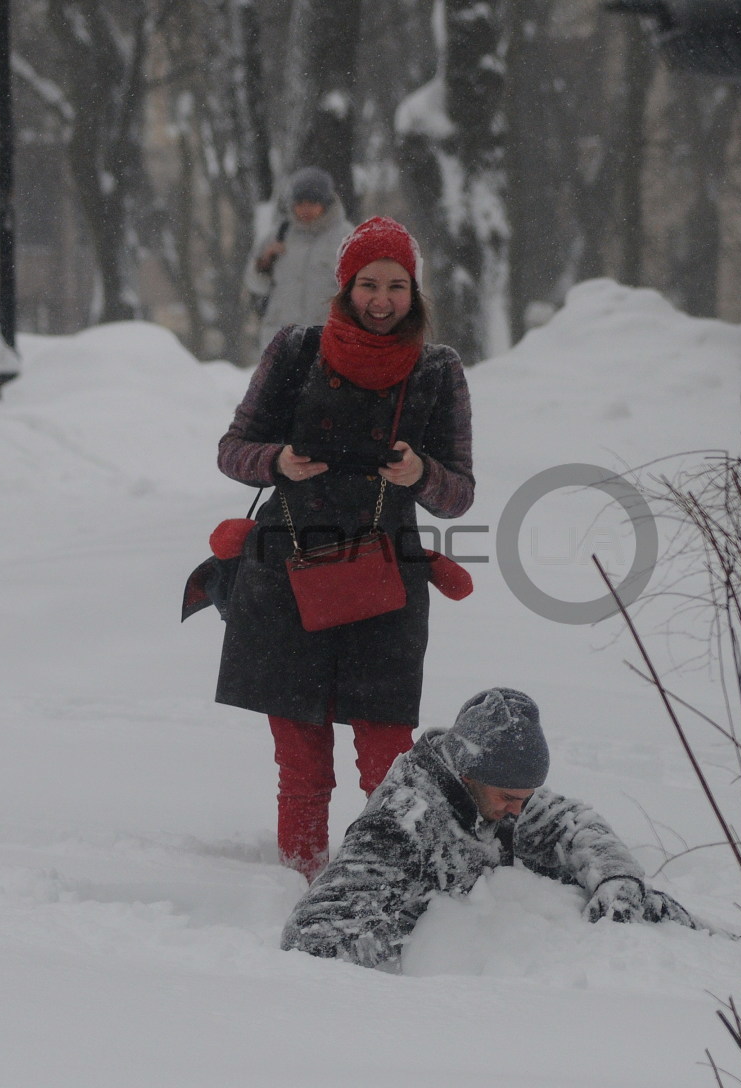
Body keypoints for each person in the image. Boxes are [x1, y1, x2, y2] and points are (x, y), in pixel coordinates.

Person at [216, 216, 475, 881]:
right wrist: (278, 460)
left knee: (388, 756)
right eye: (368, 284)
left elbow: (459, 495)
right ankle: (300, 883)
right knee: (301, 760)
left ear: (414, 291)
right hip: (287, 575)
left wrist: (422, 475)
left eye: (396, 285)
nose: (382, 300)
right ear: (345, 285)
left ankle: (387, 883)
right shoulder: (295, 351)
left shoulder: (438, 371)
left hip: (384, 582)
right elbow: (232, 452)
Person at [281, 688, 696, 970]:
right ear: (468, 774)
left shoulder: (491, 788)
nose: (517, 811)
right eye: (509, 798)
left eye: (525, 798)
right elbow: (310, 939)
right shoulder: (400, 825)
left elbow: (573, 824)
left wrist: (616, 877)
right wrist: (413, 931)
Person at [244, 166, 351, 354]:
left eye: (312, 202)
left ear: (326, 202)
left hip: (327, 342)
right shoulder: (278, 234)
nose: (305, 208)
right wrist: (264, 264)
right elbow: (254, 285)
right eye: (299, 202)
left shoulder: (347, 238)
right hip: (281, 342)